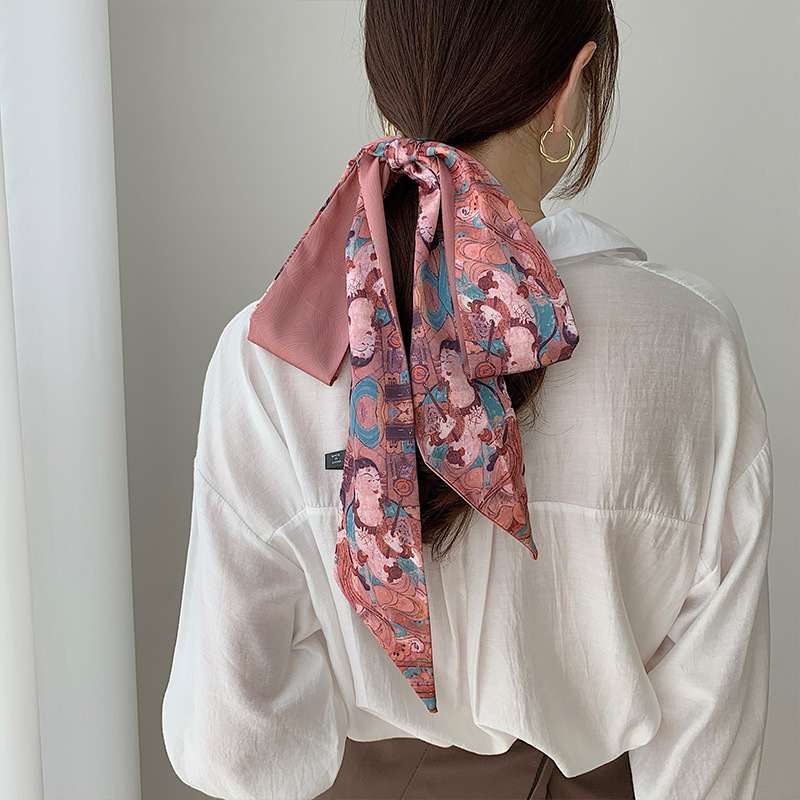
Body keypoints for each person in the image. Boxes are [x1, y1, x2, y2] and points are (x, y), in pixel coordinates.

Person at [160, 1, 773, 798]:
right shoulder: (693, 346)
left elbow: (228, 745)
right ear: (572, 88)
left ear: (388, 85)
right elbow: (709, 744)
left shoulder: (273, 354)